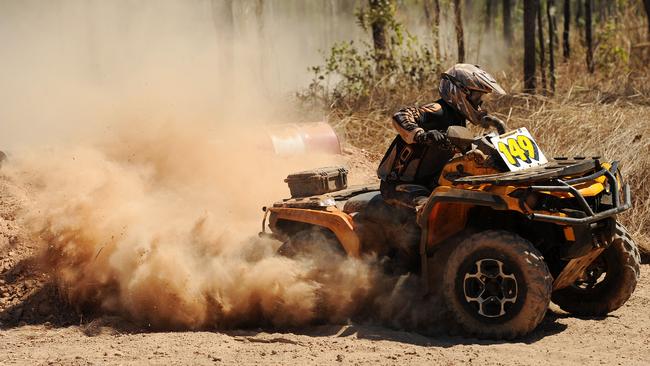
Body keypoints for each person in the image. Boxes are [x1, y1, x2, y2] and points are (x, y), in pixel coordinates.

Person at [377, 64, 506, 211]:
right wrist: (421, 135)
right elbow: (400, 115)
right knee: (435, 209)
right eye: (477, 96)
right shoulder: (437, 110)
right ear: (460, 91)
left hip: (431, 181)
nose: (480, 103)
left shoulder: (458, 119)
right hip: (399, 185)